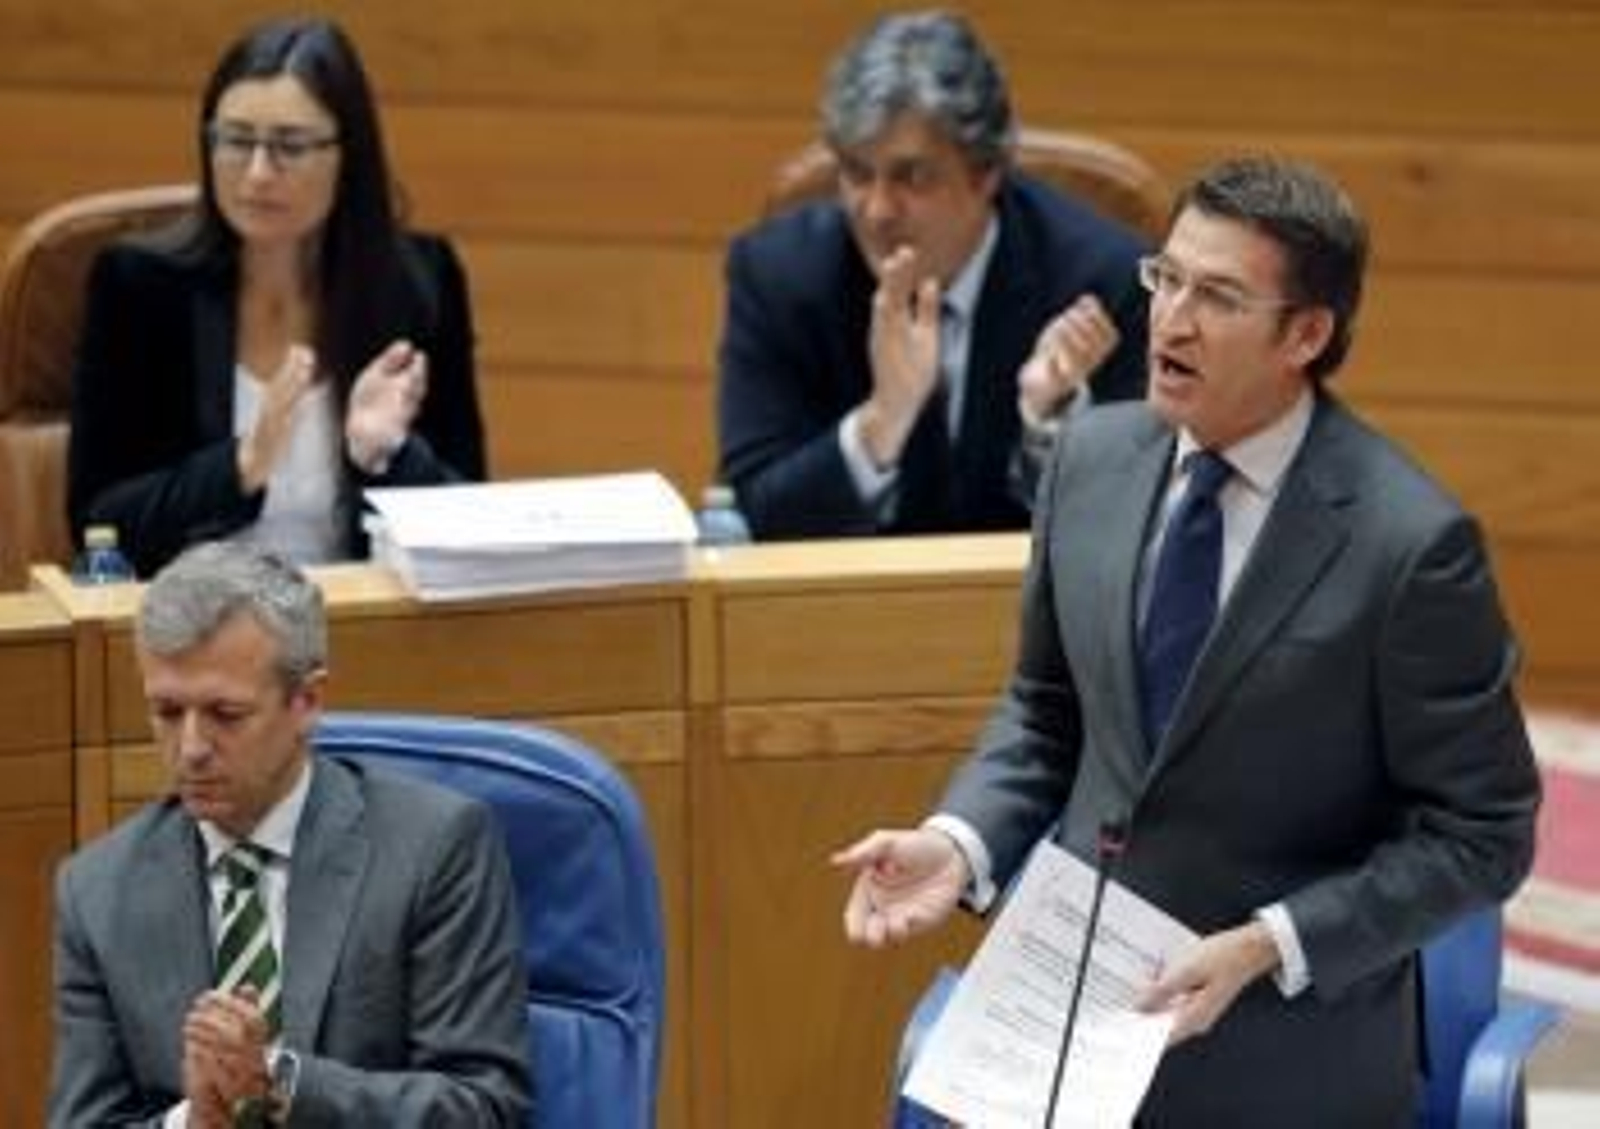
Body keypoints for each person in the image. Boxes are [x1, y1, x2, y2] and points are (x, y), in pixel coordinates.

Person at [834, 156, 1541, 1126]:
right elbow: (1046, 714)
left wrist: (1266, 944)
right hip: (1063, 1037)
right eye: (1163, 279)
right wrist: (959, 842)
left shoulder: (1407, 546)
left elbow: (1482, 833)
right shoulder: (1089, 460)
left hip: (1281, 1055)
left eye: (1217, 296)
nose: (1170, 320)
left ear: (1306, 332)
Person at [49, 542, 530, 1126]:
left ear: (307, 702)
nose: (192, 749)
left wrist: (281, 1084)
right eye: (168, 713)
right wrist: (192, 1122)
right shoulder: (98, 891)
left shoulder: (433, 849)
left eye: (225, 714)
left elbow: (484, 1110)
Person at [68, 16, 486, 578]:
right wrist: (238, 468)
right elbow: (98, 522)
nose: (258, 173)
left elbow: (471, 521)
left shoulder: (416, 284)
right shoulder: (141, 288)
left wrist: (387, 456)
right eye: (236, 140)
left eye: (289, 146)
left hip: (362, 627)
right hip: (192, 635)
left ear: (348, 155)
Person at [716, 10, 1149, 539]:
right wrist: (882, 421)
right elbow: (761, 514)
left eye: (911, 177)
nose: (876, 211)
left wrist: (1049, 427)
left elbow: (1127, 525)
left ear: (987, 173)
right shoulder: (779, 276)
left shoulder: (1099, 281)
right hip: (840, 609)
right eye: (856, 173)